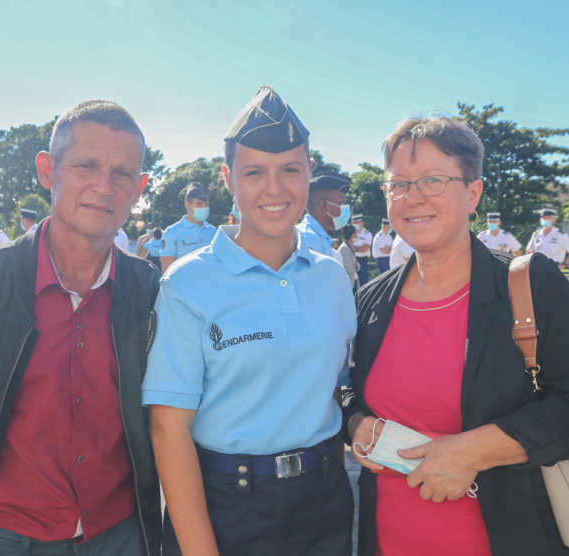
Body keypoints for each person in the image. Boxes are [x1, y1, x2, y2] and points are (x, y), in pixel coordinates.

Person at [342, 116, 569, 556]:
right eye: (398, 184)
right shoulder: (371, 299)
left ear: (473, 192)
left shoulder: (530, 284)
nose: (413, 198)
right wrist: (355, 423)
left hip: (511, 539)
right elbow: (346, 391)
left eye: (433, 180)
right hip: (391, 540)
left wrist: (474, 452)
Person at [0, 99, 162, 556]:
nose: (104, 186)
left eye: (123, 173)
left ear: (140, 186)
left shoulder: (151, 293)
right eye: (87, 165)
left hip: (120, 534)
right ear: (48, 171)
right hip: (0, 535)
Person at [143, 85, 356, 556]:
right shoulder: (188, 283)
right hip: (228, 504)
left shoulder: (332, 277)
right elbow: (169, 428)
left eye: (291, 170)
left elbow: (338, 385)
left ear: (308, 174)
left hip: (326, 499)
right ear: (228, 178)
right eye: (255, 172)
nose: (275, 189)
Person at [160, 182, 217, 272]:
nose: (204, 207)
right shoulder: (171, 233)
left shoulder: (213, 231)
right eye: (199, 204)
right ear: (188, 206)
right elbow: (167, 272)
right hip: (182, 285)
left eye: (206, 204)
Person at [296, 172, 351, 257]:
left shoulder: (320, 237)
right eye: (342, 201)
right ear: (325, 205)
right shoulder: (307, 239)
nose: (346, 205)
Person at [338, 224, 360, 292]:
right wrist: (356, 266)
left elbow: (358, 265)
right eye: (356, 233)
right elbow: (351, 269)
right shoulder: (344, 249)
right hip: (348, 284)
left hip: (353, 281)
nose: (357, 235)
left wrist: (356, 266)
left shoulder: (351, 246)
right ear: (353, 235)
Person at [352, 214, 372, 285]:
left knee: (363, 282)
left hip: (362, 260)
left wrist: (353, 248)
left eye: (357, 223)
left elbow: (365, 249)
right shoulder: (352, 233)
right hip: (353, 259)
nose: (355, 225)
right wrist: (359, 248)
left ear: (362, 223)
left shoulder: (367, 234)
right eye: (354, 223)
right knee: (352, 282)